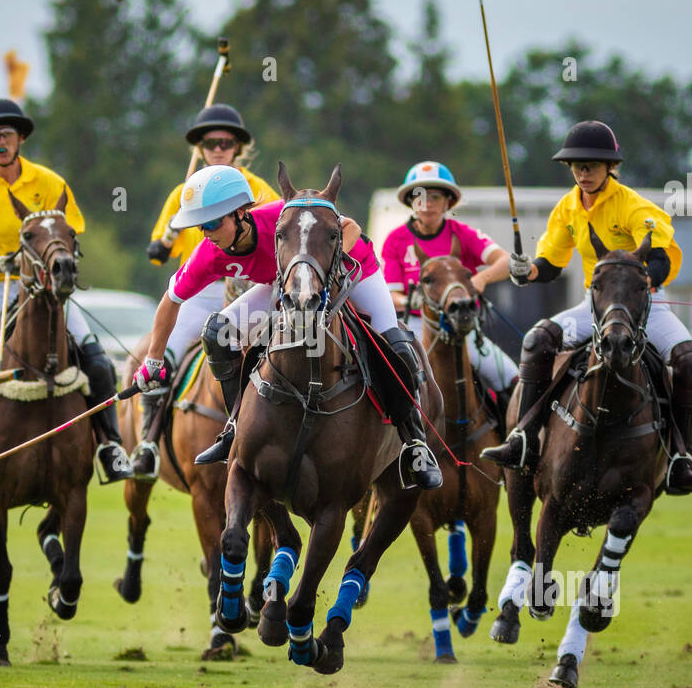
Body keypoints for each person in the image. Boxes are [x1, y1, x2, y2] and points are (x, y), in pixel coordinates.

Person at [133, 164, 443, 490]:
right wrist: (153, 362)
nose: (206, 232)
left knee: (395, 343)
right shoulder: (208, 254)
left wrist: (330, 267)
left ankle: (414, 442)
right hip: (285, 286)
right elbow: (171, 301)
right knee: (217, 333)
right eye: (200, 225)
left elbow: (349, 228)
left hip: (356, 269)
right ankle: (235, 427)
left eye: (212, 222)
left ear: (240, 213)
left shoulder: (286, 214)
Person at [479, 121, 692, 495]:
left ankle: (681, 459)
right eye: (577, 166)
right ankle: (524, 438)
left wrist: (639, 284)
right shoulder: (567, 208)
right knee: (537, 341)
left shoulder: (635, 206)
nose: (583, 173)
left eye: (591, 165)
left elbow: (662, 259)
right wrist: (526, 271)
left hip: (644, 305)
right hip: (594, 306)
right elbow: (550, 264)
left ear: (610, 167)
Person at [0, 98, 132, 495]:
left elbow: (70, 237)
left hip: (47, 292)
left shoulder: (50, 183)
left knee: (99, 363)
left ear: (20, 138)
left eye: (7, 134)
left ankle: (111, 446)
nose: (1, 141)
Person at [132, 103, 278, 479]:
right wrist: (163, 243)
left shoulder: (255, 189)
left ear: (237, 148)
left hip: (251, 285)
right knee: (168, 356)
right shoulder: (184, 192)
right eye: (210, 142)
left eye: (226, 142)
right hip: (198, 292)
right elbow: (158, 255)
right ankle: (149, 441)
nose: (218, 148)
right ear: (200, 147)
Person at [381, 161, 519, 398]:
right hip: (416, 327)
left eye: (435, 197)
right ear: (410, 202)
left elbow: (506, 261)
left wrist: (481, 279)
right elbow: (390, 295)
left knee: (511, 377)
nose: (427, 204)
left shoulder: (463, 233)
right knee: (392, 382)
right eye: (419, 196)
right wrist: (410, 302)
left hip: (463, 326)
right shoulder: (395, 239)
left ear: (448, 202)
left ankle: (513, 432)